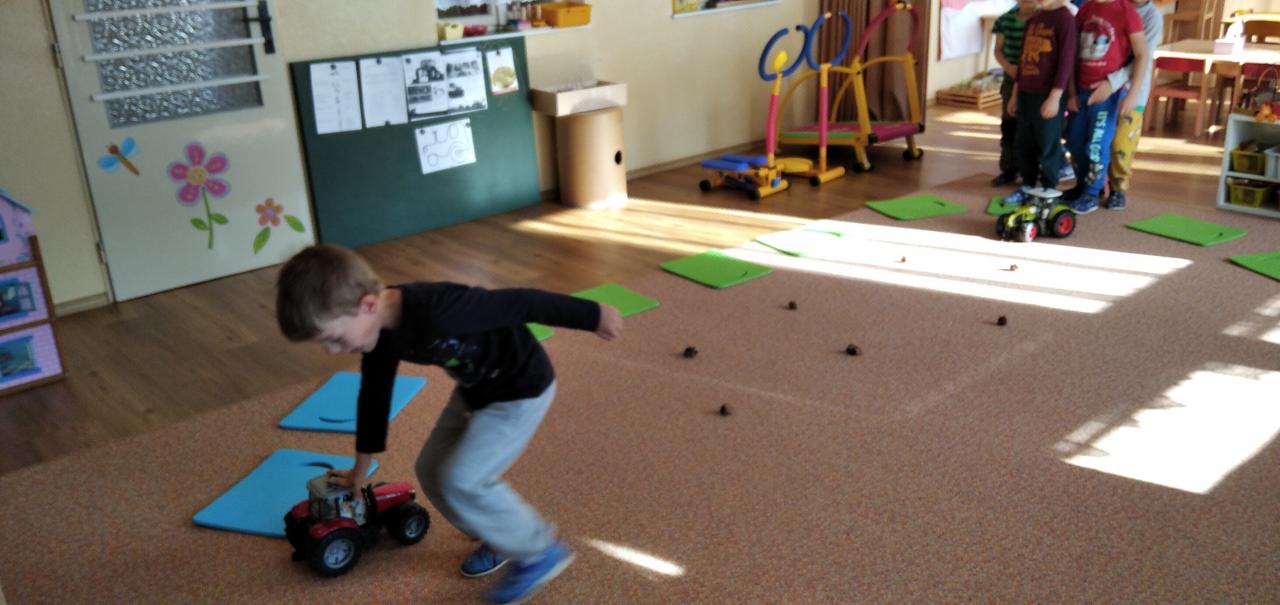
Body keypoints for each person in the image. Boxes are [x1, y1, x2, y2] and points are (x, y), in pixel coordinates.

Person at [275, 244, 624, 604]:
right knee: (429, 469)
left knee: (464, 479)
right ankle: (500, 538)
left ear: (367, 305)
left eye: (334, 338)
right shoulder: (378, 332)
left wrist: (593, 314)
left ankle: (539, 551)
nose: (332, 351)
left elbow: (521, 302)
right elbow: (374, 399)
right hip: (475, 391)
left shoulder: (440, 310)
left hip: (520, 390)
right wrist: (358, 472)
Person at [1063, 0, 1149, 213]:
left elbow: (1142, 55)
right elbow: (1073, 53)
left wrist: (1133, 93)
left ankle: (1091, 192)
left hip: (1107, 95)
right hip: (1081, 92)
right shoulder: (1085, 9)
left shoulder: (1126, 11)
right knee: (1074, 140)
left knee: (1097, 145)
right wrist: (1072, 92)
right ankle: (1084, 185)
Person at [1090, 0, 1163, 210]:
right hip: (1102, 86)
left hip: (1132, 90)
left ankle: (1118, 188)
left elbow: (1141, 58)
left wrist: (1115, 85)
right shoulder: (1114, 7)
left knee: (1122, 144)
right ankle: (1095, 182)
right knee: (1096, 139)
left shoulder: (1152, 17)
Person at [1003, 0, 1078, 206]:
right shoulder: (1033, 20)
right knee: (1024, 142)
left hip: (1048, 95)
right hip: (1025, 92)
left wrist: (1055, 97)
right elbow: (1023, 60)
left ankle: (1048, 188)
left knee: (1047, 143)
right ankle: (1028, 185)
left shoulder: (1065, 19)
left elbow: (1066, 62)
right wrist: (1015, 94)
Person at [992, 0, 1041, 187]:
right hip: (1011, 77)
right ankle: (1008, 169)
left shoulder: (1042, 20)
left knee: (1032, 127)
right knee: (1009, 125)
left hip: (1035, 79)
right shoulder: (1005, 20)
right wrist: (1008, 67)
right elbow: (998, 50)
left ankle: (1031, 170)